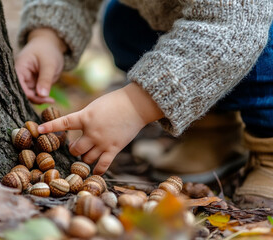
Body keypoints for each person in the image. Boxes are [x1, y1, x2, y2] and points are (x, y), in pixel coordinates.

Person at [15, 0, 273, 208]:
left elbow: (231, 32)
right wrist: (47, 35)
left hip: (244, 24)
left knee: (265, 63)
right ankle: (214, 129)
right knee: (122, 23)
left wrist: (136, 105)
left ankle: (268, 151)